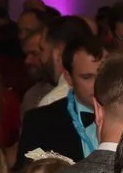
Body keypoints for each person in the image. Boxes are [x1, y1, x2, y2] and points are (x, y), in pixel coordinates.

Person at [20, 31, 104, 162]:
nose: (97, 84)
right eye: (87, 77)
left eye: (102, 75)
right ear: (68, 78)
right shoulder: (39, 123)